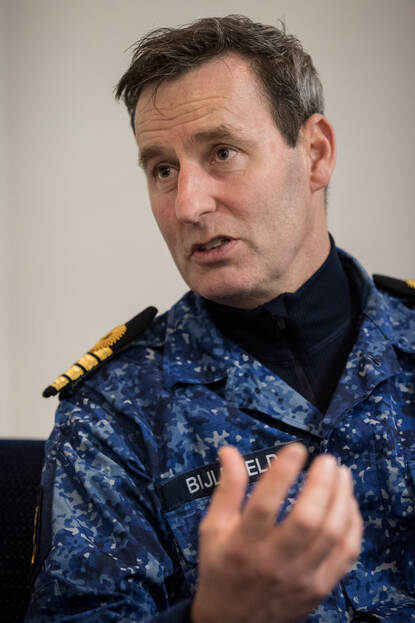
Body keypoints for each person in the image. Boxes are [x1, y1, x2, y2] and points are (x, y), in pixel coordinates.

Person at [26, 14, 415, 623]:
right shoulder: (114, 411)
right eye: (163, 170)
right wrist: (216, 616)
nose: (188, 204)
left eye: (223, 153)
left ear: (315, 154)